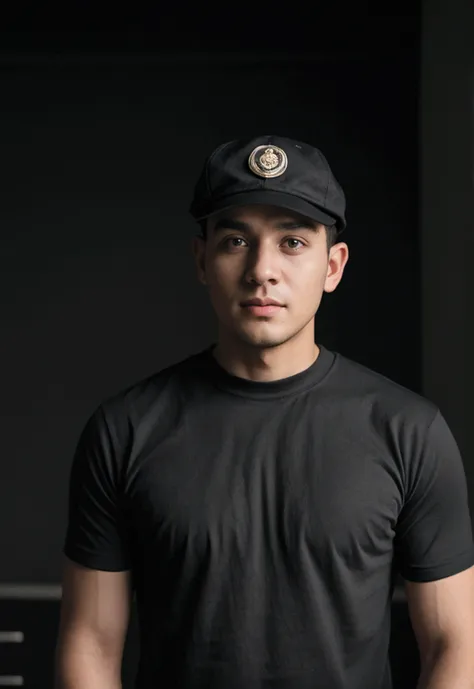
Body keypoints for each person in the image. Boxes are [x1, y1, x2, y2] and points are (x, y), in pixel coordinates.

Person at [54, 135, 474, 689]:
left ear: (333, 265)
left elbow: (455, 645)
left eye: (293, 242)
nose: (262, 270)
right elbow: (91, 643)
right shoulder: (125, 430)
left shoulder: (409, 431)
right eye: (235, 240)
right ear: (202, 260)